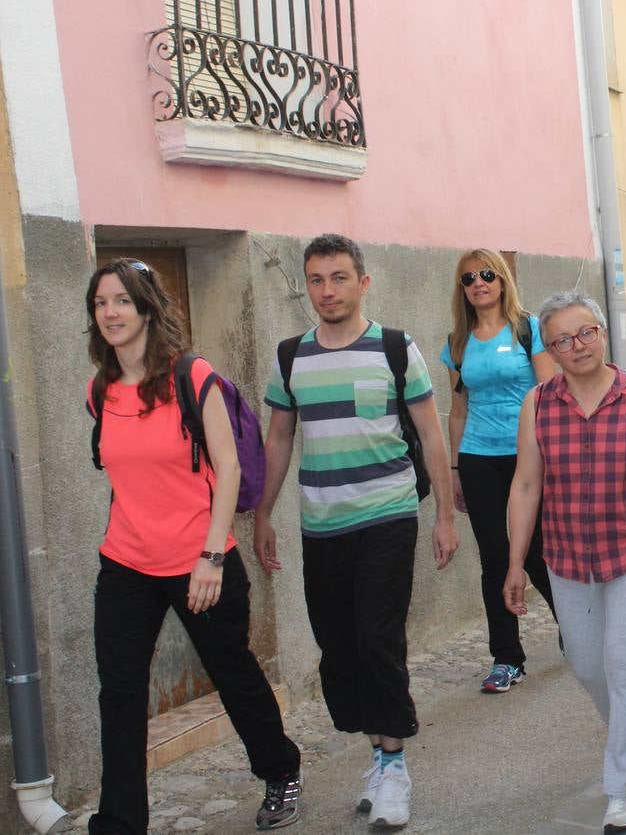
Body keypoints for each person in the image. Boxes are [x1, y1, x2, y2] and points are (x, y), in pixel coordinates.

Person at [84, 258, 302, 833]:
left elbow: (227, 468)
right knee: (121, 693)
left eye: (122, 301)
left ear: (147, 307)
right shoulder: (99, 390)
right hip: (126, 562)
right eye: (101, 303)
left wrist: (210, 556)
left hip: (200, 559)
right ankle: (121, 821)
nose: (110, 312)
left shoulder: (192, 374)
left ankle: (281, 769)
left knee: (233, 672)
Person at [254, 234, 460, 829]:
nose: (327, 290)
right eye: (316, 279)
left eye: (339, 278)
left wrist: (443, 515)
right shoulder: (291, 355)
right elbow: (278, 439)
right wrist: (264, 513)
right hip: (322, 524)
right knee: (340, 649)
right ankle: (378, 753)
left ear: (363, 282)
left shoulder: (397, 349)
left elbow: (430, 435)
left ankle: (394, 766)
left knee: (377, 639)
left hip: (387, 515)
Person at [505, 291, 626, 833]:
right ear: (550, 350)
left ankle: (624, 786)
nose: (578, 345)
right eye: (563, 340)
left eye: (586, 332)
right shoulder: (538, 404)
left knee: (623, 660)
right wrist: (515, 563)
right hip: (567, 554)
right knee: (588, 665)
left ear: (602, 333)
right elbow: (525, 485)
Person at [442, 248, 558, 692]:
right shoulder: (457, 341)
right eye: (468, 278)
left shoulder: (528, 330)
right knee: (494, 557)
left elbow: (549, 396)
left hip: (529, 454)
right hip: (477, 457)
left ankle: (576, 627)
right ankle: (507, 657)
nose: (478, 283)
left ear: (503, 278)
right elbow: (457, 410)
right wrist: (454, 468)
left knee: (536, 550)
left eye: (486, 274)